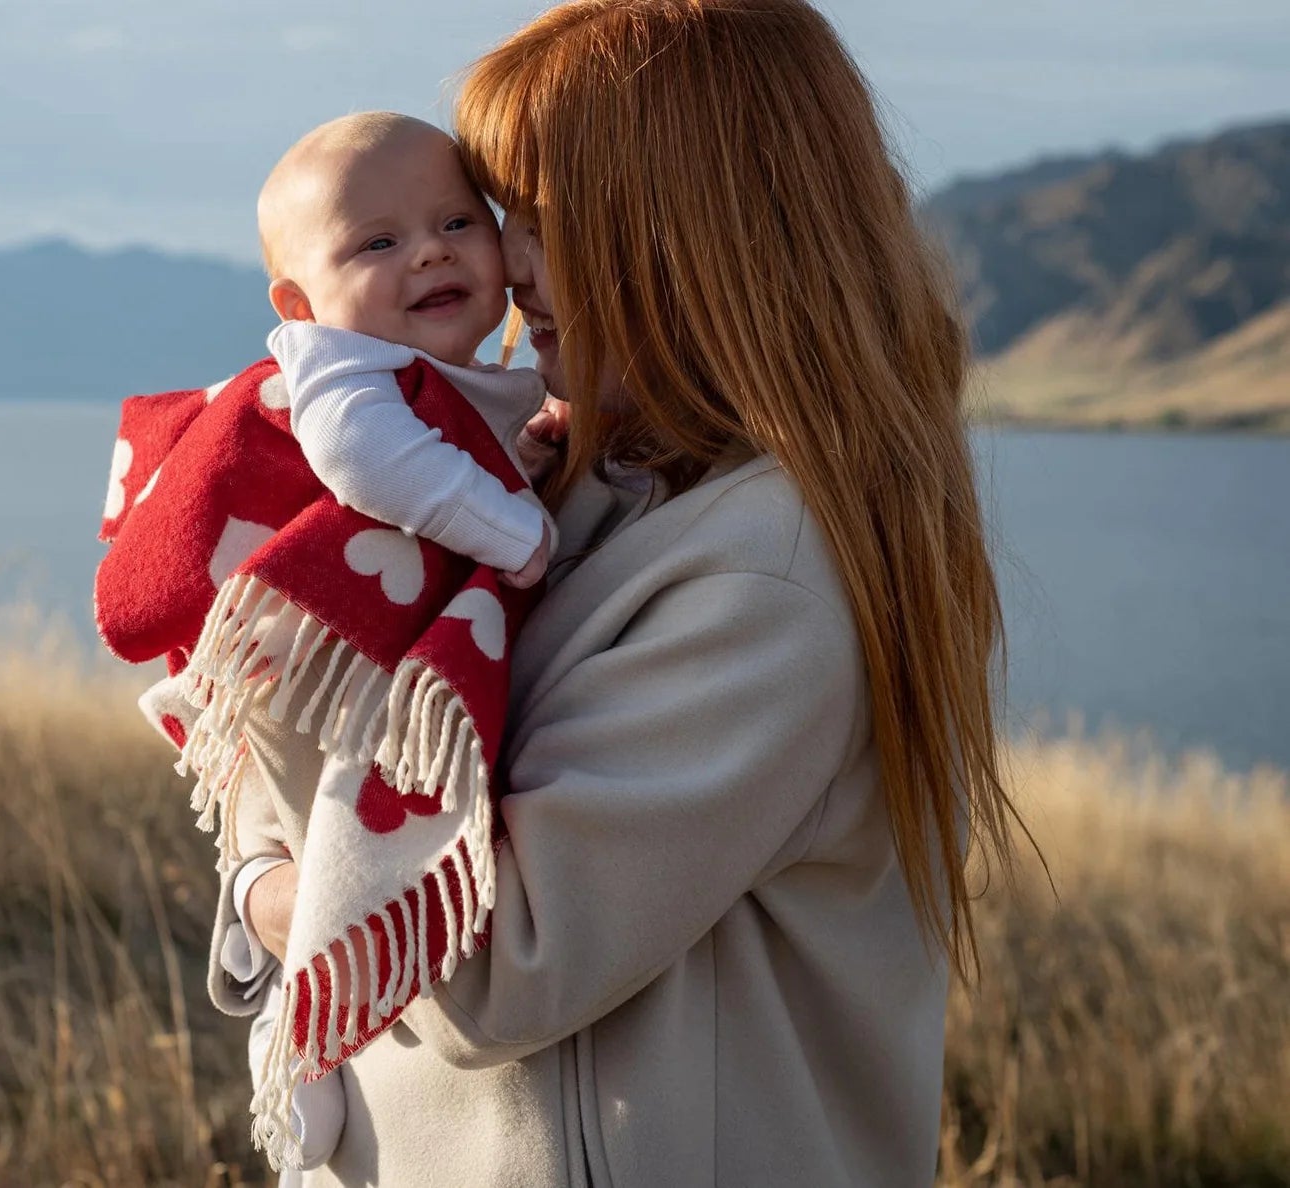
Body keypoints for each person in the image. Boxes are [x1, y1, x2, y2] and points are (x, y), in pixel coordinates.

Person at [218, 1, 1028, 1184]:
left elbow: (486, 968)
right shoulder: (556, 479)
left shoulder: (762, 576)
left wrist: (282, 898)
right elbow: (337, 817)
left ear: (696, 235)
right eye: (502, 218)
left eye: (543, 222)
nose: (507, 265)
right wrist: (268, 881)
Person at [95, 112, 560, 1171]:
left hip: (377, 677)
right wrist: (520, 534)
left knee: (352, 851)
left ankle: (310, 1029)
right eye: (377, 243)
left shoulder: (484, 384)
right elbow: (370, 464)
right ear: (300, 305)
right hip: (330, 672)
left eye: (455, 221)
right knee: (334, 842)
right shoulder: (339, 372)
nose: (430, 252)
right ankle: (295, 1044)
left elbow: (490, 445)